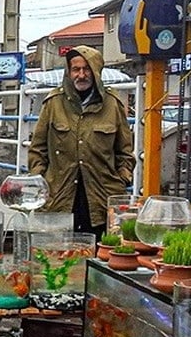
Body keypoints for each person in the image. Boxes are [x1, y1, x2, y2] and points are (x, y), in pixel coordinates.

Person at [28, 46, 134, 236]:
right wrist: (41, 180)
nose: (81, 75)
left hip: (101, 199)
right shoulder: (53, 103)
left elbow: (125, 152)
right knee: (58, 257)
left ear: (96, 72)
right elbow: (37, 149)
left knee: (99, 255)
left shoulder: (112, 104)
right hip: (59, 197)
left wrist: (122, 179)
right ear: (69, 72)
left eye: (87, 69)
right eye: (76, 69)